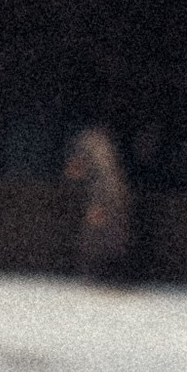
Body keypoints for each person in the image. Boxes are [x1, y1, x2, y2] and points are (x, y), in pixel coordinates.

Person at [60, 118, 133, 280]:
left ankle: (96, 277)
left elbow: (88, 173)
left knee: (97, 239)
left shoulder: (87, 144)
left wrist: (99, 204)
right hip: (113, 195)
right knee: (108, 239)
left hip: (105, 197)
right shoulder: (100, 143)